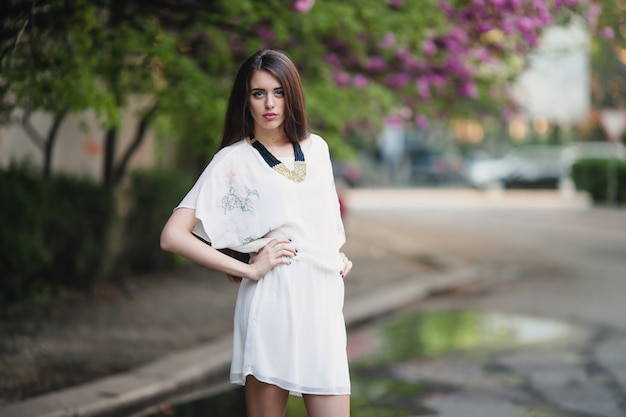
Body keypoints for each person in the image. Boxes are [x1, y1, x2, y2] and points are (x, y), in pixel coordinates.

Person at [160, 49, 353, 417]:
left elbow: (319, 222)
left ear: (292, 96)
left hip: (323, 300)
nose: (269, 103)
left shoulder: (318, 150)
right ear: (245, 100)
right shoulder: (233, 160)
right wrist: (250, 268)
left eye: (278, 92)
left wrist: (333, 254)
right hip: (273, 297)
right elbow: (173, 235)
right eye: (258, 92)